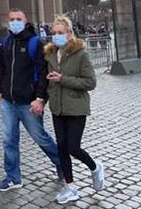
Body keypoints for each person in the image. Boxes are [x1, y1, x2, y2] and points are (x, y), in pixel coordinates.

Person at [0, 9, 63, 192]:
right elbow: (3, 68)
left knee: (40, 137)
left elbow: (42, 73)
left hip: (28, 101)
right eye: (11, 19)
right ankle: (13, 177)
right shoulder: (6, 42)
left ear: (25, 22)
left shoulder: (35, 43)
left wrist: (40, 98)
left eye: (18, 19)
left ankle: (61, 162)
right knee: (9, 140)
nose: (14, 22)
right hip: (9, 101)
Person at [42, 15, 105, 203]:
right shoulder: (50, 54)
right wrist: (40, 100)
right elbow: (47, 82)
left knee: (73, 147)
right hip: (57, 107)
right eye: (54, 33)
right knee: (61, 147)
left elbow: (90, 82)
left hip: (76, 107)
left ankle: (95, 167)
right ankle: (70, 187)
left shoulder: (81, 54)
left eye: (60, 33)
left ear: (69, 33)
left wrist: (63, 79)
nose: (56, 36)